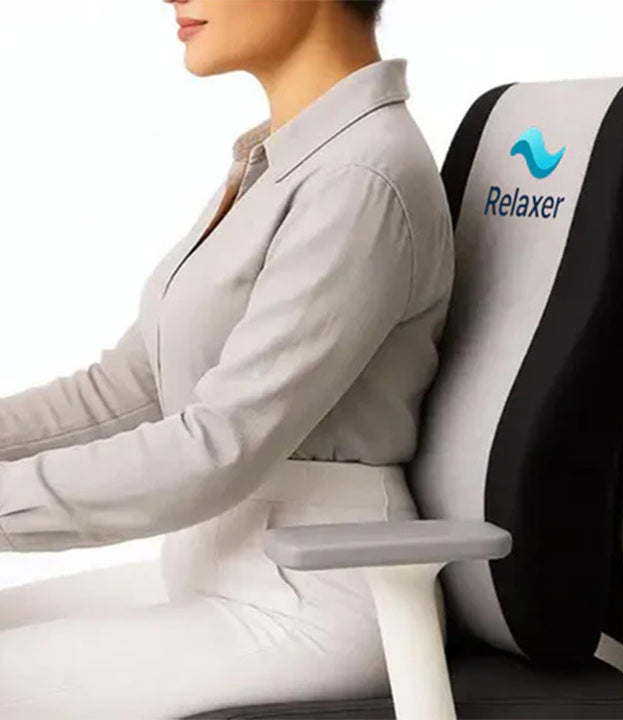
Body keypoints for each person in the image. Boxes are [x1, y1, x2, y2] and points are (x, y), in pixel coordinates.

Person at [0, 0, 455, 717]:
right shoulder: (285, 160)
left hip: (306, 599)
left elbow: (216, 448)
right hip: (215, 572)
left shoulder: (359, 176)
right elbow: (133, 388)